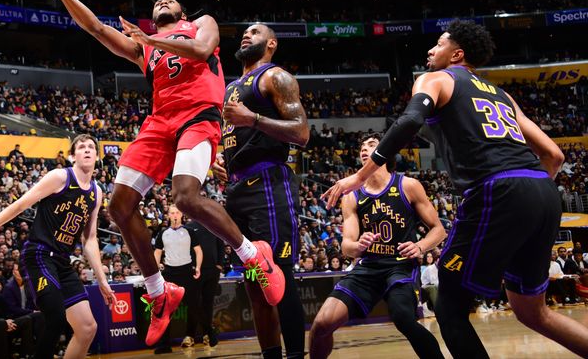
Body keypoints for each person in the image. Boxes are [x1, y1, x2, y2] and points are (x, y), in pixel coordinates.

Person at [34, 0, 284, 347]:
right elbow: (95, 28)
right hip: (160, 122)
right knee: (119, 206)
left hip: (198, 115)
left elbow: (201, 51)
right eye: (156, 3)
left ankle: (253, 255)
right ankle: (158, 290)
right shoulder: (143, 48)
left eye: (169, 0)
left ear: (181, 12)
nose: (162, 1)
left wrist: (150, 38)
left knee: (185, 197)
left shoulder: (200, 23)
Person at [323, 20, 584, 358]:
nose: (431, 50)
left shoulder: (436, 78)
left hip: (496, 188)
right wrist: (526, 194)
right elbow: (554, 155)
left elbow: (409, 121)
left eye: (439, 44)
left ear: (457, 54)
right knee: (533, 312)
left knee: (448, 305)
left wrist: (360, 176)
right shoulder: (502, 96)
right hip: (544, 193)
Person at [0, 134, 115, 359]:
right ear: (72, 156)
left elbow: (89, 239)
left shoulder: (96, 193)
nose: (87, 150)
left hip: (62, 261)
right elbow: (20, 205)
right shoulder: (60, 177)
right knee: (56, 317)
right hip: (39, 254)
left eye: (91, 147)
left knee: (87, 328)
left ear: (97, 156)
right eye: (81, 147)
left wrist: (102, 280)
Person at [211, 23, 309, 359]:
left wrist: (252, 118)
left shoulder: (275, 77)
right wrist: (224, 162)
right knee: (255, 286)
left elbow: (301, 133)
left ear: (271, 43)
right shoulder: (230, 88)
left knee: (279, 277)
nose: (246, 34)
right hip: (236, 189)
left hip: (268, 184)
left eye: (255, 32)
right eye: (245, 32)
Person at [310, 134, 446, 358]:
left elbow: (439, 230)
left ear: (386, 151)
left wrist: (420, 246)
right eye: (362, 147)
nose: (364, 149)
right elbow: (346, 247)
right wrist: (358, 245)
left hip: (400, 266)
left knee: (403, 318)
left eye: (372, 145)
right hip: (368, 267)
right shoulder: (352, 196)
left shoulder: (408, 185)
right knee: (321, 325)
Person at [152, 205, 202, 353]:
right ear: (168, 215)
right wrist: (156, 269)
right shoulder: (163, 233)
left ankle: (190, 336)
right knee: (165, 309)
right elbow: (157, 252)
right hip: (169, 273)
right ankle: (164, 343)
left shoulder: (189, 231)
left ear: (181, 215)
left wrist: (198, 267)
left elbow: (198, 251)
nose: (174, 215)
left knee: (193, 306)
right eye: (172, 213)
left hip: (187, 271)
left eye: (177, 213)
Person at [183, 219, 224, 347]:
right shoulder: (188, 227)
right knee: (194, 303)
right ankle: (190, 335)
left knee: (208, 303)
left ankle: (207, 335)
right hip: (194, 270)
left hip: (212, 270)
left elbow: (220, 245)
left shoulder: (213, 224)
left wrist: (219, 265)